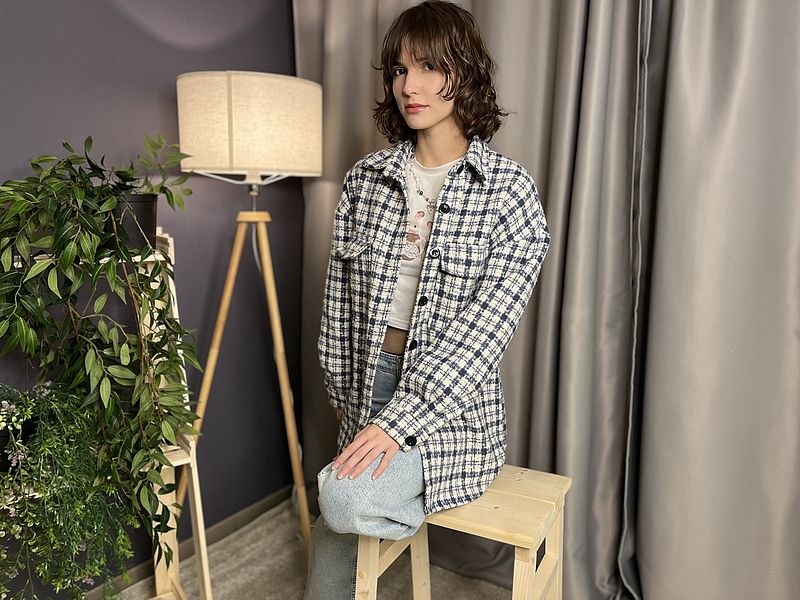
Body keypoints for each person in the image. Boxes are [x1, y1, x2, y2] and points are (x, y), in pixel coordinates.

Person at [305, 2, 550, 598]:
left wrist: (399, 423)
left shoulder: (509, 192)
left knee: (340, 498)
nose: (409, 87)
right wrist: (344, 396)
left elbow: (482, 336)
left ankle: (390, 494)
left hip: (450, 408)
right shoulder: (366, 180)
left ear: (464, 72)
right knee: (335, 526)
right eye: (398, 70)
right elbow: (339, 304)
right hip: (367, 381)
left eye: (428, 67)